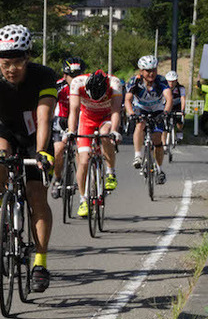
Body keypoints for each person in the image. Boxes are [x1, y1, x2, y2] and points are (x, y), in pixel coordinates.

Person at [0, 24, 56, 293]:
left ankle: (40, 264)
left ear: (28, 57)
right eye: (5, 63)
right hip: (5, 130)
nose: (11, 69)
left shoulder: (44, 76)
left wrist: (42, 150)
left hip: (35, 135)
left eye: (17, 62)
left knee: (37, 196)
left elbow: (44, 116)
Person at [67, 69, 122, 217]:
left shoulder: (115, 84)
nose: (96, 101)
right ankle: (83, 199)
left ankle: (110, 173)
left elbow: (116, 111)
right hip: (86, 119)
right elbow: (74, 110)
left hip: (106, 117)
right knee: (83, 161)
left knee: (105, 135)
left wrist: (115, 131)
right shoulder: (77, 83)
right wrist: (71, 131)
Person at [124, 55, 172, 185]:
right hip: (141, 108)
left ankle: (159, 169)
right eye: (148, 70)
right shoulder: (135, 81)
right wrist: (131, 113)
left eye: (154, 70)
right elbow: (128, 100)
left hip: (157, 109)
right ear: (141, 71)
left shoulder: (161, 80)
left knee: (157, 139)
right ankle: (138, 156)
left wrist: (166, 112)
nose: (151, 73)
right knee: (140, 125)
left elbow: (168, 98)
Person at [50, 57, 87, 200]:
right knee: (58, 150)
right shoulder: (58, 86)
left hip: (80, 120)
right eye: (72, 76)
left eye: (78, 75)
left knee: (81, 154)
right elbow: (50, 105)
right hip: (62, 120)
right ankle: (58, 179)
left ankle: (81, 184)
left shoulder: (87, 86)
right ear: (65, 75)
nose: (76, 79)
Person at [164, 71, 185, 143]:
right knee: (164, 121)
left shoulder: (181, 88)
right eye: (169, 81)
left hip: (177, 105)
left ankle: (179, 131)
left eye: (173, 81)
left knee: (179, 120)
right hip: (166, 105)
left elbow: (183, 99)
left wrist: (182, 110)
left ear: (176, 81)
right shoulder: (163, 87)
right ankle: (164, 140)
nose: (171, 84)